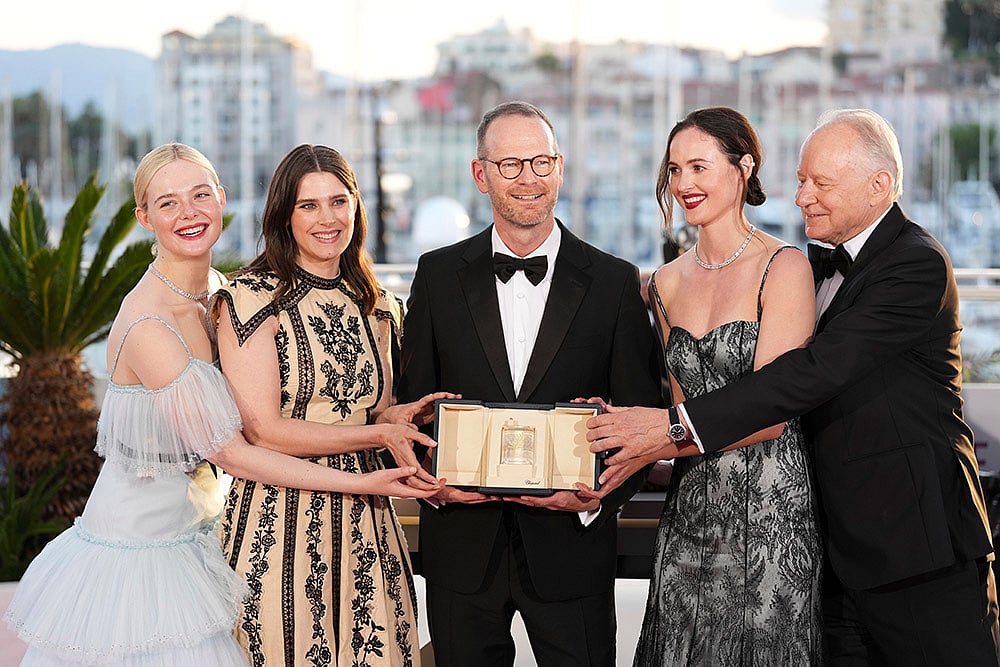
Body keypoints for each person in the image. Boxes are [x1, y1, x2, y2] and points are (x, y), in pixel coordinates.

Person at [587, 108, 1000, 665]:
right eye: (802, 180)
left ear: (880, 186)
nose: (802, 196)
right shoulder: (809, 264)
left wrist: (667, 431)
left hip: (917, 550)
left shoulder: (915, 265)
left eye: (819, 183)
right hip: (832, 545)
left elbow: (806, 377)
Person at [2, 143, 437, 665]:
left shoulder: (220, 292)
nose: (189, 213)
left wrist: (389, 416)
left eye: (200, 195)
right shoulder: (149, 322)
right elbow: (234, 451)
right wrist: (364, 478)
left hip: (206, 532)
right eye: (167, 203)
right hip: (142, 552)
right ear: (144, 217)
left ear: (222, 199)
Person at [396, 100, 663, 667]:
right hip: (461, 548)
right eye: (511, 165)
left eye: (541, 163)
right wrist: (431, 486)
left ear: (560, 167)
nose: (529, 180)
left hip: (573, 549)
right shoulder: (437, 275)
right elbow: (411, 405)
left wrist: (595, 501)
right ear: (481, 173)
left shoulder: (614, 282)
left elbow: (642, 420)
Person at [212, 144, 448, 666]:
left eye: (338, 201)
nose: (327, 219)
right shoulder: (248, 299)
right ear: (283, 215)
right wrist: (378, 434)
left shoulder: (381, 304)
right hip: (277, 527)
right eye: (308, 205)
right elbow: (264, 431)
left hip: (369, 521)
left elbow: (374, 408)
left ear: (357, 207)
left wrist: (399, 419)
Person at [627, 106, 822, 664]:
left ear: (744, 168)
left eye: (699, 167)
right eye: (674, 170)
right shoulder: (663, 283)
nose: (684, 184)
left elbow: (773, 412)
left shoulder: (784, 266)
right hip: (689, 513)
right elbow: (682, 401)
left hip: (770, 516)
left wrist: (654, 438)